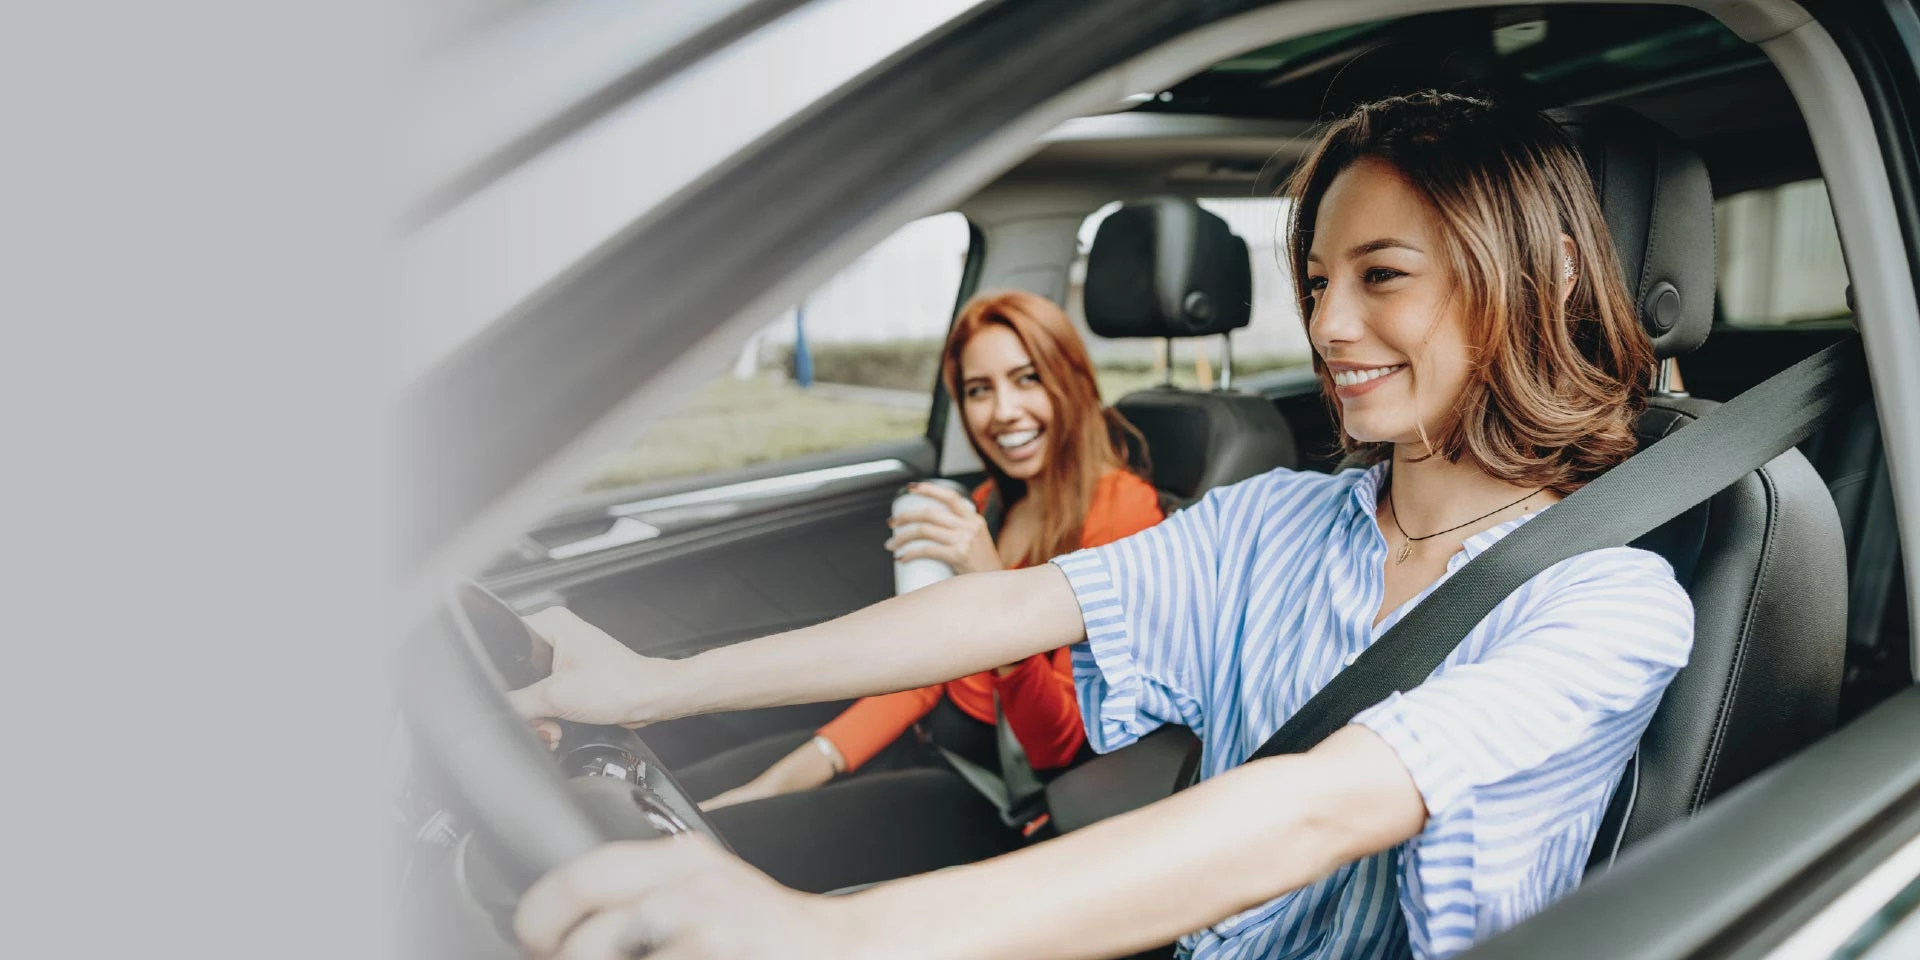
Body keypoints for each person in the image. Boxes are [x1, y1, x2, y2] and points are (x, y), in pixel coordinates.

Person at [507, 92, 1695, 960]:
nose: (1329, 323)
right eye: (1319, 279)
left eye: (1382, 276)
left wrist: (836, 936)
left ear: (1516, 288)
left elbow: (1322, 806)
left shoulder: (1608, 603)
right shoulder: (1276, 520)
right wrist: (655, 686)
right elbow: (1008, 606)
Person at [664, 289, 1164, 890]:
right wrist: (805, 768)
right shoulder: (992, 504)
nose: (1003, 411)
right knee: (684, 791)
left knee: (723, 847)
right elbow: (921, 677)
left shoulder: (1126, 513)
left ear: (1072, 379)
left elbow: (1055, 747)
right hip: (924, 745)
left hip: (997, 796)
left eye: (1027, 378)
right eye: (980, 390)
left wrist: (989, 582)